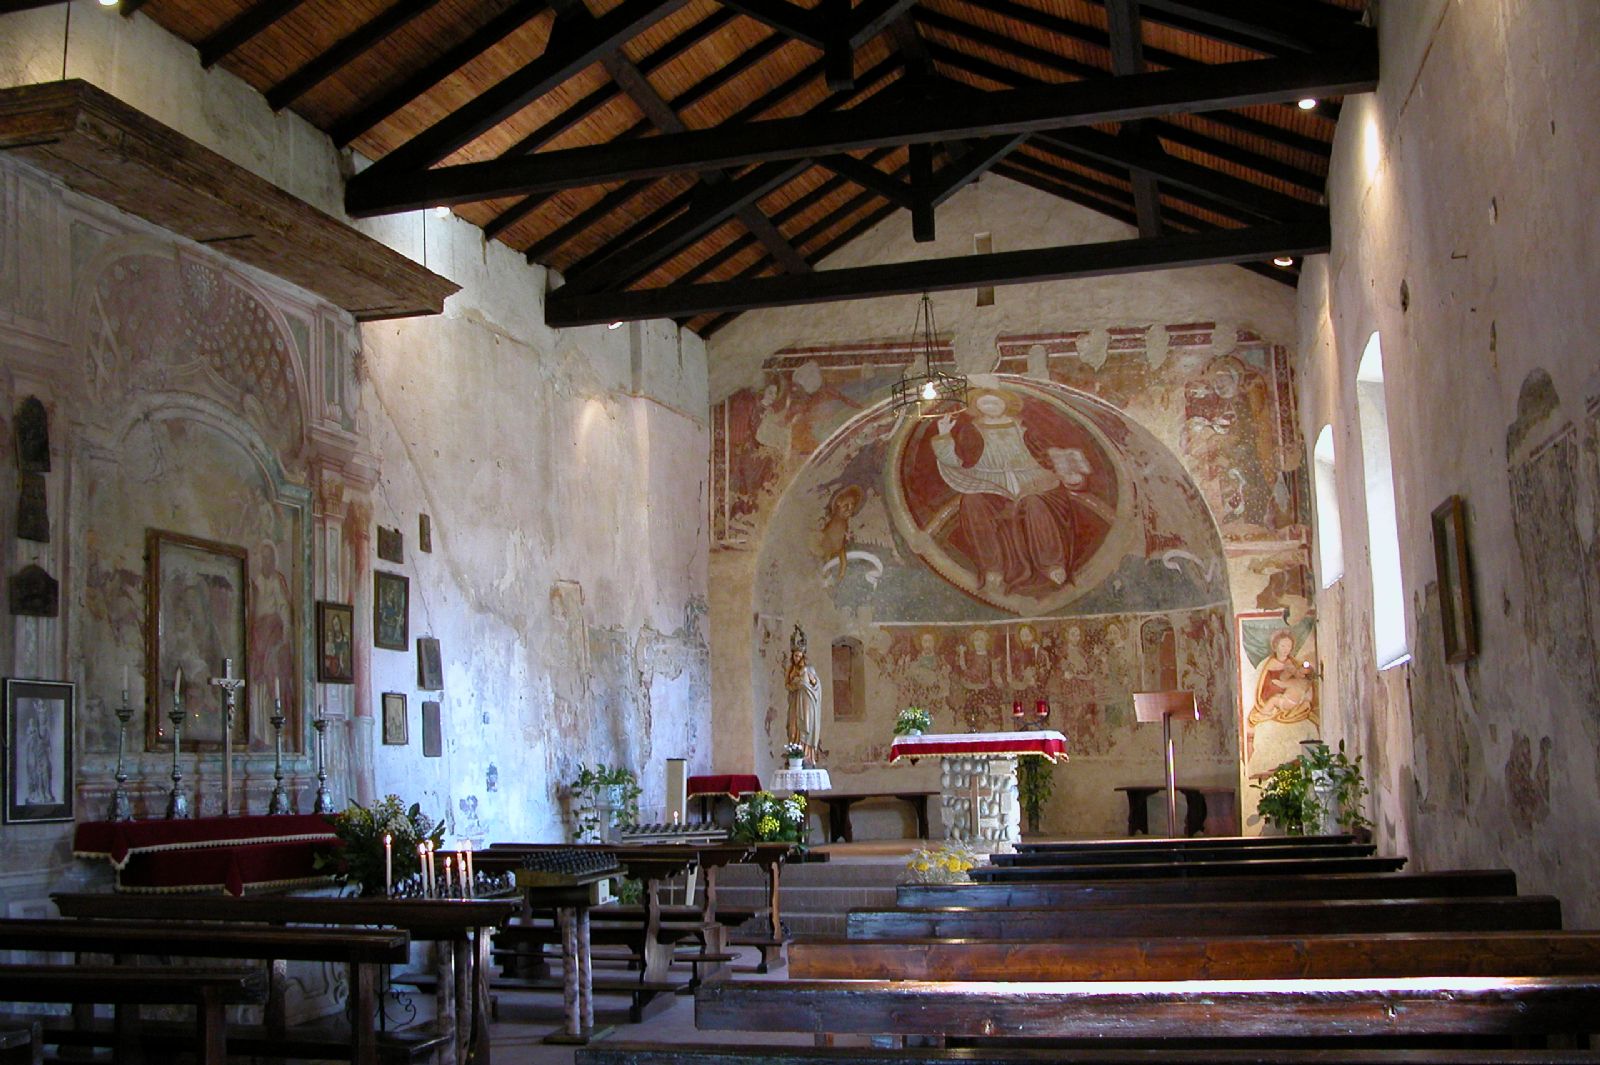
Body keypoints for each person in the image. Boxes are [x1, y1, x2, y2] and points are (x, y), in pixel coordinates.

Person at [931, 389, 1095, 594]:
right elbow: (956, 461)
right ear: (977, 407)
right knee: (972, 501)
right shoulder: (971, 431)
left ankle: (1052, 564)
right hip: (990, 482)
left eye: (995, 402)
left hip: (1034, 478)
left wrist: (1068, 474)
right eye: (985, 403)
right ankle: (992, 567)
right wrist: (944, 435)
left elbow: (1048, 454)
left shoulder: (1025, 426)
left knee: (1034, 502)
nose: (990, 407)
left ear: (1006, 403)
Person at [1250, 630, 1316, 726]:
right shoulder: (1272, 663)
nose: (1286, 649)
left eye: (1289, 646)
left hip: (1289, 693)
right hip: (1273, 690)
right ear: (1276, 646)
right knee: (1275, 699)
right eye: (1283, 646)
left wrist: (1297, 672)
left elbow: (1299, 675)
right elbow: (1268, 684)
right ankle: (1265, 712)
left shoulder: (1291, 661)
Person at [785, 624, 822, 759]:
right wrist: (796, 686)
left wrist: (812, 682)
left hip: (807, 702)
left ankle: (807, 756)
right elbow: (787, 685)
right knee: (793, 728)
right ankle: (795, 753)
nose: (797, 658)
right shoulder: (790, 670)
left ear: (803, 656)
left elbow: (816, 686)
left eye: (799, 656)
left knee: (807, 726)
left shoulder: (809, 669)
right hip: (795, 702)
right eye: (795, 656)